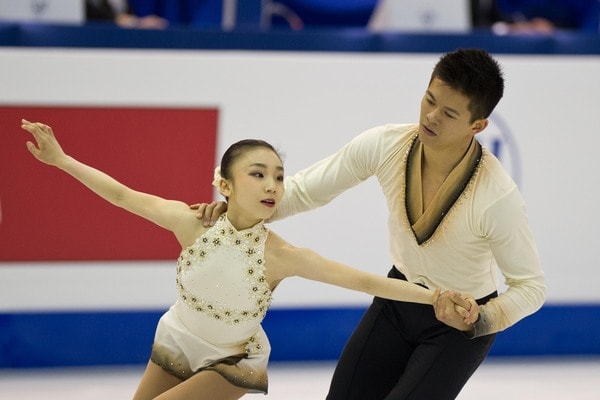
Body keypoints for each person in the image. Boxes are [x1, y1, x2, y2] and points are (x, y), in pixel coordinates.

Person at [19, 120, 477, 400]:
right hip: (178, 340)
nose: (272, 185)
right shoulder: (190, 223)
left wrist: (434, 295)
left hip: (233, 362)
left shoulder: (279, 255)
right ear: (225, 184)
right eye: (257, 174)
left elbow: (362, 282)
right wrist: (61, 160)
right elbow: (122, 195)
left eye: (278, 176)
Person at [195, 48, 546, 399]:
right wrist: (238, 209)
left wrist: (479, 319)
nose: (431, 116)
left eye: (449, 113)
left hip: (457, 328)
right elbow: (304, 191)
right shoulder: (386, 144)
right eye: (429, 100)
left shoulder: (496, 195)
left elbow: (531, 287)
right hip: (397, 298)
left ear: (478, 125)